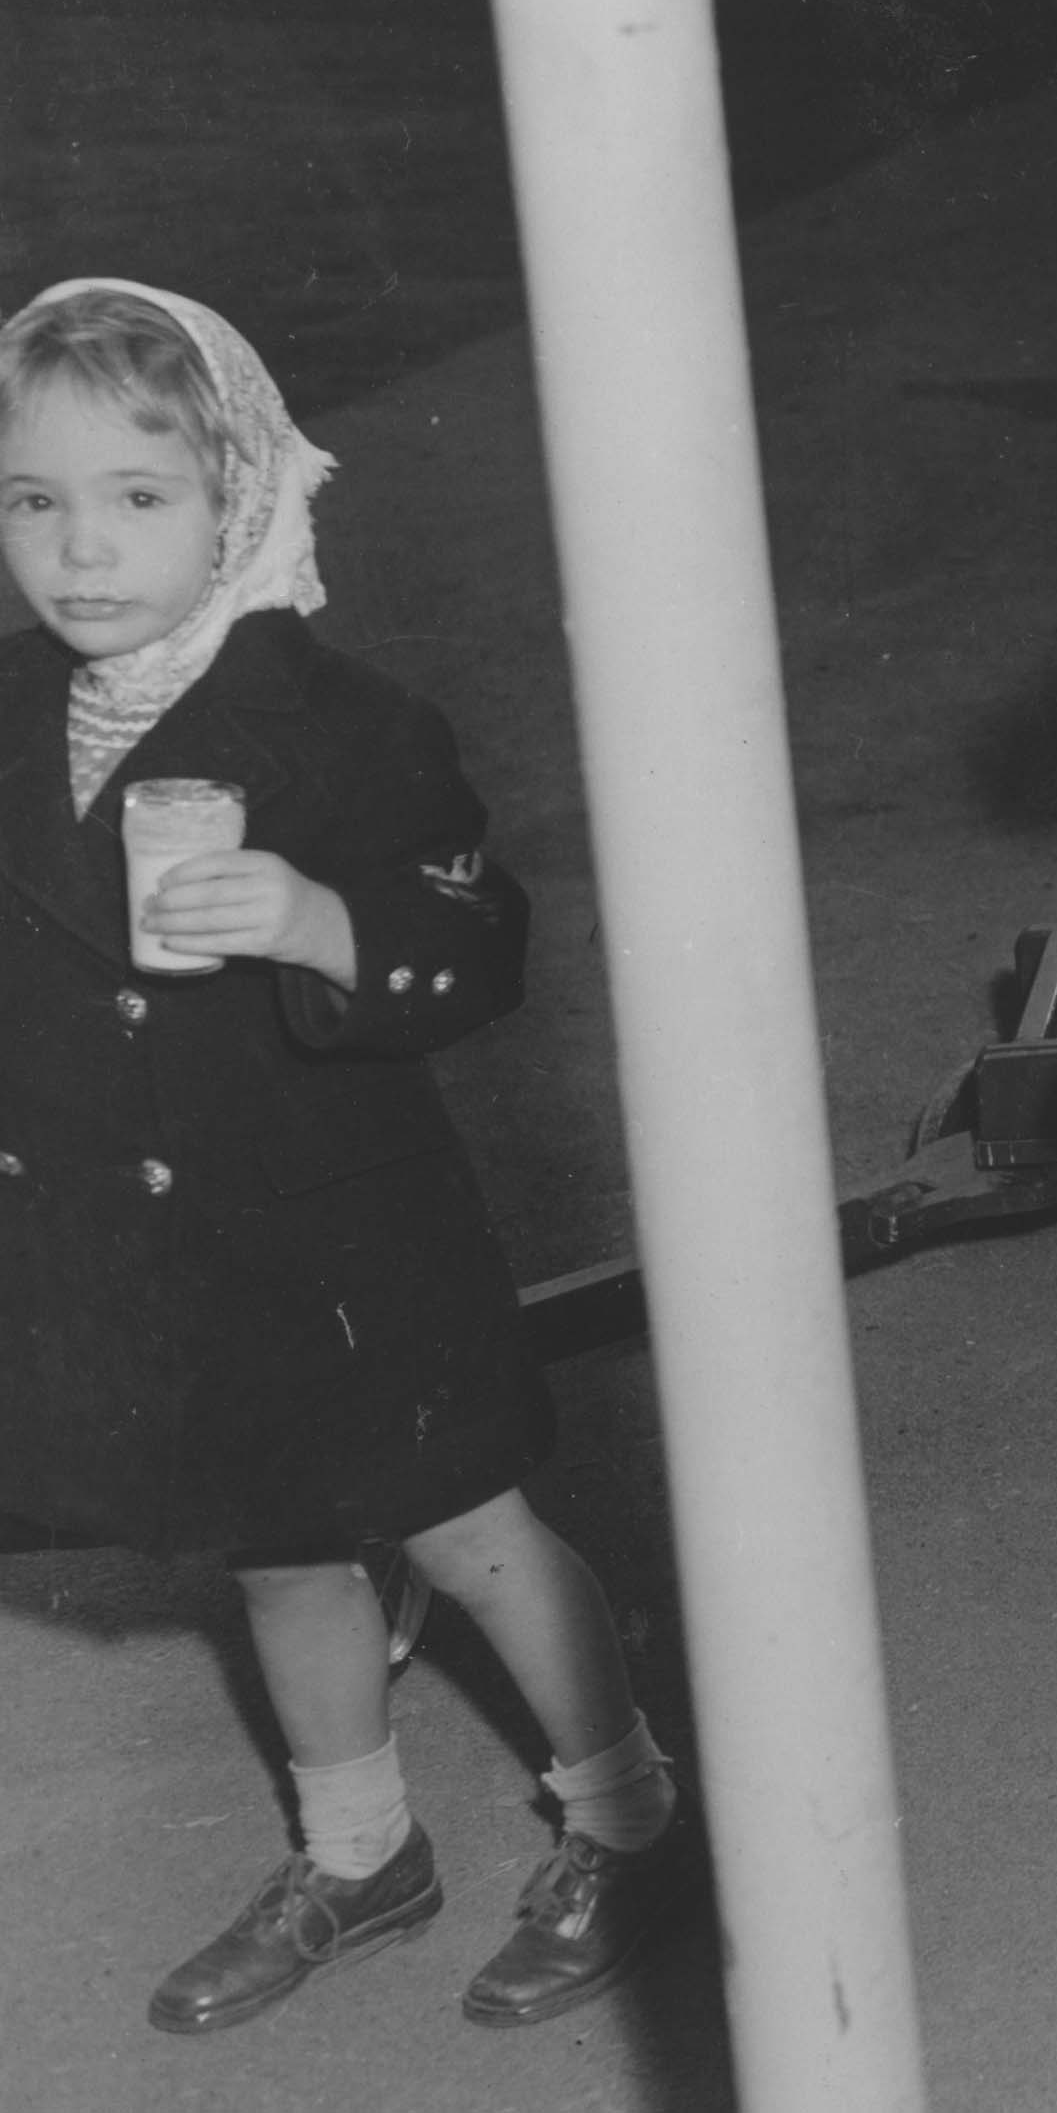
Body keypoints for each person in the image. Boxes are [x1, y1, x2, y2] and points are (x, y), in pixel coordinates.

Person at [0, 282, 700, 2032]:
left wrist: (325, 923)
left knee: (469, 1526)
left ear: (236, 497)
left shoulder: (341, 721)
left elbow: (480, 933)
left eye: (136, 498)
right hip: (157, 1249)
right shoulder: (18, 716)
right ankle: (359, 1845)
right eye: (34, 499)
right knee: (277, 1544)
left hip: (339, 1233)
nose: (80, 549)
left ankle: (628, 1811)